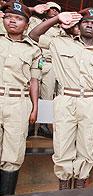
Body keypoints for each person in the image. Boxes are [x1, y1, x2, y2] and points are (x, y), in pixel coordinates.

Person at [29, 8, 93, 189]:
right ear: (79, 25)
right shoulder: (60, 43)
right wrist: (57, 18)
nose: (89, 25)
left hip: (91, 103)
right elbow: (33, 35)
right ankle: (64, 191)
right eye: (85, 22)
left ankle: (80, 190)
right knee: (62, 150)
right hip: (66, 100)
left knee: (86, 150)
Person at [0, 1, 41, 195]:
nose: (13, 22)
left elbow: (34, 80)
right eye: (9, 17)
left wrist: (34, 108)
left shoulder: (33, 49)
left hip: (19, 102)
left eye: (18, 19)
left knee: (13, 153)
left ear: (27, 24)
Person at [28, 1, 62, 138]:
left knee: (47, 96)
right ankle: (29, 124)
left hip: (50, 63)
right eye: (51, 9)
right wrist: (33, 9)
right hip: (34, 62)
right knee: (31, 93)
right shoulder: (34, 21)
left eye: (57, 10)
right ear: (46, 10)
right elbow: (20, 14)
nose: (54, 11)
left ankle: (43, 126)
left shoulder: (61, 28)